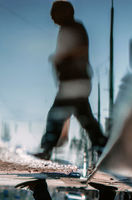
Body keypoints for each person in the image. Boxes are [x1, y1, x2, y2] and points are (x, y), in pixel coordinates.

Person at [35, 1, 107, 160]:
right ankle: (102, 145)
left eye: (54, 14)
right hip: (78, 81)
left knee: (56, 115)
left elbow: (77, 51)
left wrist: (59, 58)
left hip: (74, 81)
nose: (52, 18)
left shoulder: (72, 28)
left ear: (65, 13)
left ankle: (47, 149)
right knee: (85, 117)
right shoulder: (71, 28)